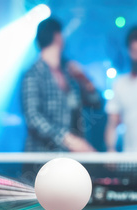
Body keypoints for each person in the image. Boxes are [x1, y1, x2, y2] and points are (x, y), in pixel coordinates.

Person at [22, 17, 101, 152]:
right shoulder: (34, 74)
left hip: (70, 156)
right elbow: (33, 118)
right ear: (58, 36)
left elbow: (96, 104)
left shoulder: (69, 73)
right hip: (42, 157)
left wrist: (85, 80)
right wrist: (66, 139)